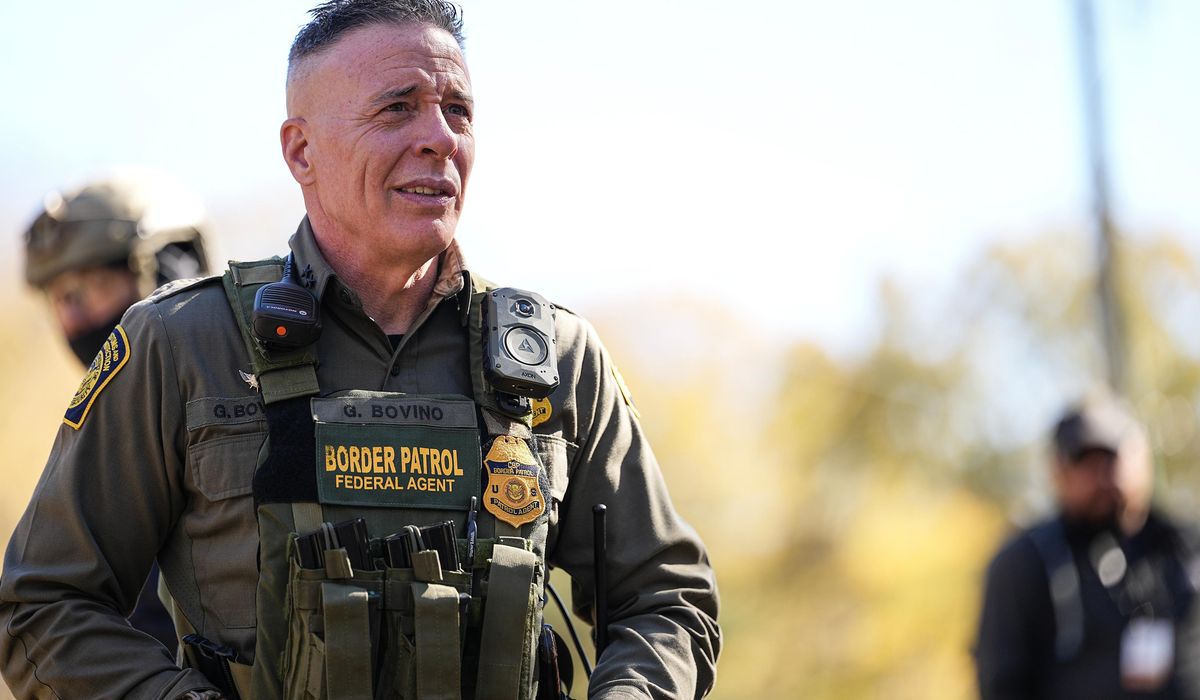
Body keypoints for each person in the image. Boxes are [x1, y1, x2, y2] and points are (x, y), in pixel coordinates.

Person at [0, 2, 721, 699]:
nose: (440, 138)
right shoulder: (183, 343)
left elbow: (666, 600)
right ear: (301, 151)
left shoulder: (554, 358)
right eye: (397, 108)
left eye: (458, 111)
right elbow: (44, 605)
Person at [21, 174, 213, 653]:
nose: (72, 319)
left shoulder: (259, 403)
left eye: (91, 286)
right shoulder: (98, 446)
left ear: (169, 271)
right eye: (59, 298)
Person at [974, 396, 1199, 699]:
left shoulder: (1186, 550)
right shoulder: (1026, 563)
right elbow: (1001, 682)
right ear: (1058, 470)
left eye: (1112, 458)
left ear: (1143, 458)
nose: (1102, 476)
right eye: (1084, 462)